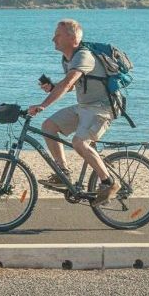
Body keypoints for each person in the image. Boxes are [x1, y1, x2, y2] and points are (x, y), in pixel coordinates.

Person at [27, 18, 118, 205]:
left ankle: (108, 183)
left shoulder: (84, 56)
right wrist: (52, 88)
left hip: (102, 109)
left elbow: (68, 82)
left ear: (72, 37)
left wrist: (43, 105)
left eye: (58, 35)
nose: (53, 39)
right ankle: (63, 172)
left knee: (79, 142)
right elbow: (68, 86)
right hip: (84, 107)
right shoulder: (67, 59)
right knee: (48, 126)